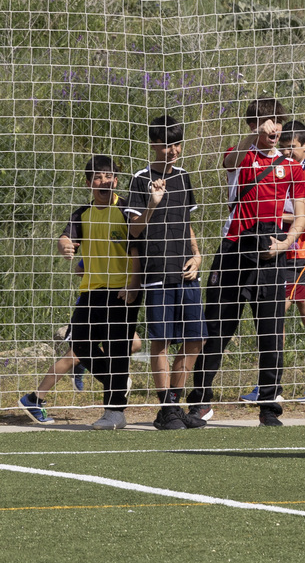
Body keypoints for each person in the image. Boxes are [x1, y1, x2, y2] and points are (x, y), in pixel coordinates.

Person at [188, 100, 305, 427]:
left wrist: (285, 243)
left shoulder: (292, 167)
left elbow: (300, 216)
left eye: (277, 122)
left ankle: (269, 407)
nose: (273, 128)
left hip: (271, 252)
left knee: (270, 331)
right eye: (266, 122)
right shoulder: (242, 156)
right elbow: (229, 159)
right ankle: (199, 402)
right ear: (254, 125)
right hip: (233, 249)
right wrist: (253, 135)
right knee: (216, 327)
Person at [19, 156, 142, 430]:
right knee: (81, 346)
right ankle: (116, 385)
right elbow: (67, 237)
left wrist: (134, 283)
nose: (104, 181)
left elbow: (138, 249)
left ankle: (114, 412)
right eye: (97, 177)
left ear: (116, 181)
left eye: (109, 176)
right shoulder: (82, 214)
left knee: (119, 350)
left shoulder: (127, 210)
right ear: (89, 183)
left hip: (122, 291)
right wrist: (64, 244)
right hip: (91, 291)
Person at [239, 120, 305, 404]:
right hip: (285, 251)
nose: (286, 152)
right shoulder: (283, 168)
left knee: (275, 316)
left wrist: (275, 218)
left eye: (291, 147)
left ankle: (271, 387)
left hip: (301, 253)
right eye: (282, 147)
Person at [126, 115, 207, 430]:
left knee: (196, 338)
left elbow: (186, 224)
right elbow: (133, 230)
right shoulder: (140, 179)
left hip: (186, 270)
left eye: (176, 144)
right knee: (160, 341)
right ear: (154, 145)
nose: (172, 150)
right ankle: (166, 408)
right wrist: (153, 203)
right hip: (156, 271)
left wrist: (197, 255)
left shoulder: (185, 177)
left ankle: (175, 402)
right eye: (165, 145)